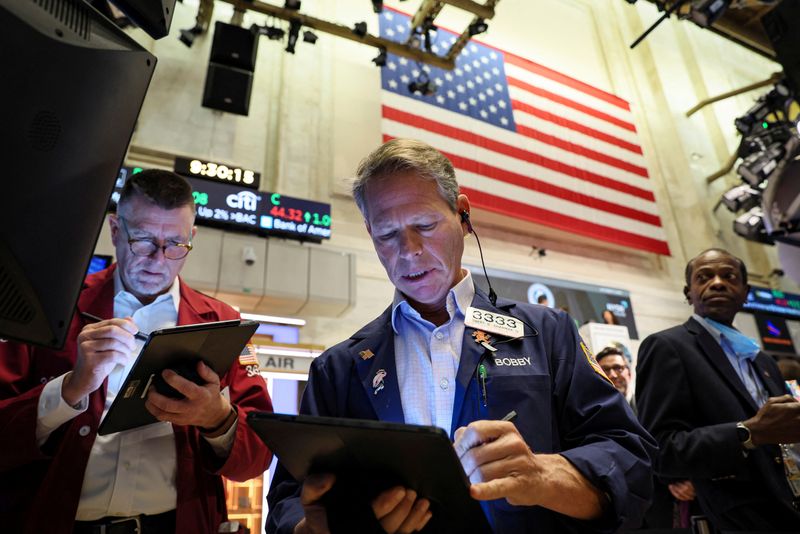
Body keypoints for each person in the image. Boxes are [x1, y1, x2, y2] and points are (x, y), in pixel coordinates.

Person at [267, 139, 656, 533]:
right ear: (370, 233)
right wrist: (313, 528)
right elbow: (288, 498)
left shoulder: (548, 333)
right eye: (387, 234)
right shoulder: (339, 368)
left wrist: (544, 477)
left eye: (425, 225)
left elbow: (629, 457)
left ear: (463, 214)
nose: (409, 251)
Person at [0, 170, 274, 534]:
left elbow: (257, 458)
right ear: (115, 230)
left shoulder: (223, 322)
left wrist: (217, 418)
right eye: (143, 240)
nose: (158, 259)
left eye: (175, 244)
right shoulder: (53, 307)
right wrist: (69, 389)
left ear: (192, 237)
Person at [636, 248, 800, 531]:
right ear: (689, 293)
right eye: (704, 277)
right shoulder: (668, 347)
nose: (718, 282)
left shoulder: (762, 360)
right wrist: (747, 433)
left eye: (728, 276)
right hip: (735, 519)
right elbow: (660, 451)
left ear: (745, 291)